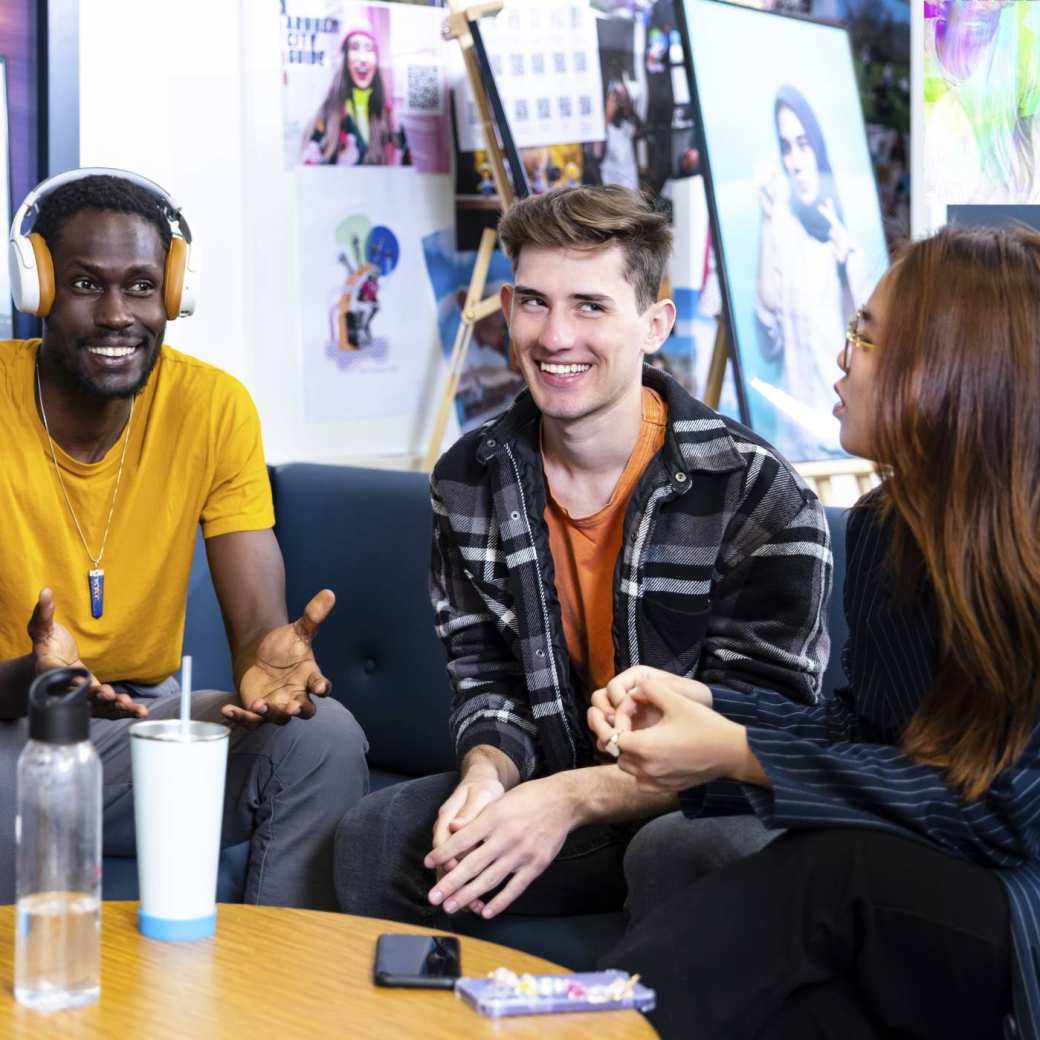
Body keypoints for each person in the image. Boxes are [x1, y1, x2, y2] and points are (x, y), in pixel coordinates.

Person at [334, 185, 831, 935]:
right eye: (534, 303)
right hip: (562, 795)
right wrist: (486, 778)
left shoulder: (757, 488)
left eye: (590, 306)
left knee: (676, 853)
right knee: (379, 840)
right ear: (505, 309)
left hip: (707, 808)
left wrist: (569, 800)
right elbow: (487, 677)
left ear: (654, 323)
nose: (555, 336)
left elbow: (764, 732)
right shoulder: (469, 477)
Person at [589, 223, 1040, 1039]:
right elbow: (870, 731)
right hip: (935, 900)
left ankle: (580, 1024)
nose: (840, 357)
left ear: (953, 371)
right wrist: (713, 711)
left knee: (837, 874)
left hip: (1016, 902)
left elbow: (1011, 813)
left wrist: (736, 752)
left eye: (866, 336)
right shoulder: (884, 529)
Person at [0, 172, 369, 909]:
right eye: (82, 284)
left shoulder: (212, 408)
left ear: (173, 294)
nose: (116, 315)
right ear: (37, 287)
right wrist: (30, 683)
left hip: (138, 719)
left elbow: (259, 626)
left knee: (320, 737)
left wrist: (268, 664)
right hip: (10, 725)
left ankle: (276, 995)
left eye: (141, 287)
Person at [755, 84, 873, 461]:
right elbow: (767, 339)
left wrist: (847, 266)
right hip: (789, 445)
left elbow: (867, 350)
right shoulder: (781, 224)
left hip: (843, 446)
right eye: (786, 146)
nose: (795, 161)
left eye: (803, 144)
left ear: (818, 148)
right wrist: (767, 222)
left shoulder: (848, 238)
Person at [301, 17, 404, 167]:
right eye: (355, 47)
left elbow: (403, 162)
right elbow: (309, 163)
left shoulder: (390, 115)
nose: (363, 58)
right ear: (345, 58)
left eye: (369, 49)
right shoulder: (327, 114)